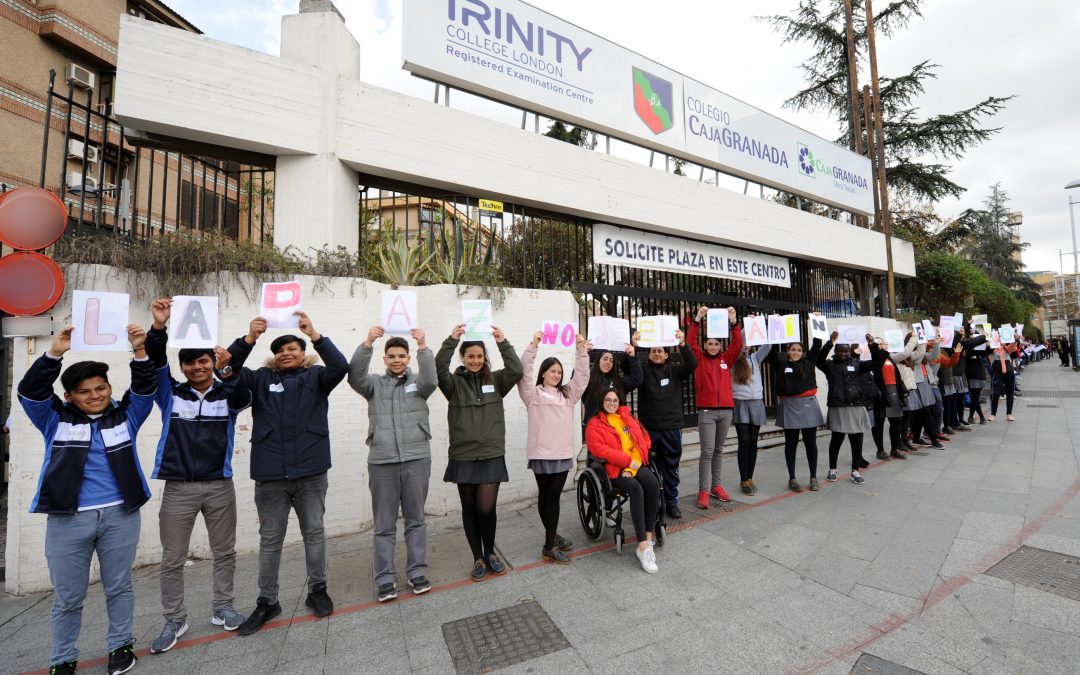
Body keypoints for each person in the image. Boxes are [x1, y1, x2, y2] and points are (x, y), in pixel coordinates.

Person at [19, 324, 155, 675]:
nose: (95, 396)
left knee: (119, 586)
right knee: (68, 598)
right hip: (68, 519)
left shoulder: (126, 415)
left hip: (120, 516)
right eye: (84, 392)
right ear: (68, 397)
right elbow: (30, 391)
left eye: (101, 388)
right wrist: (54, 353)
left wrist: (139, 351)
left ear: (110, 389)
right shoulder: (54, 419)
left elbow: (145, 388)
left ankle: (121, 647)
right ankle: (62, 659)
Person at [227, 312, 349, 635]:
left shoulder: (317, 377)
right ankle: (268, 601)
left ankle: (318, 590)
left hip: (311, 473)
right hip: (270, 477)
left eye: (293, 348)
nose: (286, 353)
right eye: (280, 350)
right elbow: (227, 373)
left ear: (302, 352)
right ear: (274, 357)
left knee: (315, 533)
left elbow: (342, 367)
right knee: (270, 541)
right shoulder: (259, 380)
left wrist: (315, 334)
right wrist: (247, 340)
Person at [144, 300, 251, 654]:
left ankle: (223, 608)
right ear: (183, 367)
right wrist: (158, 328)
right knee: (173, 558)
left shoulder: (228, 394)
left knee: (225, 552)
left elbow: (240, 386)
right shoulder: (169, 393)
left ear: (212, 363)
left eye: (203, 361)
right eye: (189, 362)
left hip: (220, 485)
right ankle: (174, 618)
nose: (196, 367)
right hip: (178, 488)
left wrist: (230, 362)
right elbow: (156, 361)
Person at [348, 326, 437, 602]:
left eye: (402, 355)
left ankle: (417, 572)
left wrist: (423, 346)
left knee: (416, 520)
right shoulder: (374, 384)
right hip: (382, 462)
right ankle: (385, 579)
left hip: (416, 459)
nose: (397, 360)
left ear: (408, 358)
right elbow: (354, 376)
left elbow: (432, 380)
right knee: (384, 525)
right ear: (384, 359)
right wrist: (368, 342)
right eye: (392, 356)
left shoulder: (419, 384)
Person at [436, 323, 523, 582]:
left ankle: (490, 553)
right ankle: (477, 557)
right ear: (463, 357)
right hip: (463, 455)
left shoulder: (496, 380)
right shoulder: (452, 384)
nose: (475, 360)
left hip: (491, 453)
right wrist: (451, 340)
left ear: (485, 358)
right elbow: (438, 369)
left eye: (479, 356)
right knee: (470, 508)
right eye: (470, 356)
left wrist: (502, 342)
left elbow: (516, 370)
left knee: (487, 508)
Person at [517, 331, 591, 564]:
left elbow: (581, 378)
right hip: (540, 453)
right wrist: (533, 346)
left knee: (554, 498)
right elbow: (524, 374)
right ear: (544, 373)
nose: (557, 375)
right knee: (545, 497)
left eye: (559, 372)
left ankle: (549, 542)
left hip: (561, 453)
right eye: (553, 371)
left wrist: (580, 350)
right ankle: (552, 539)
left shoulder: (567, 394)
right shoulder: (533, 393)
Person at [585, 390, 660, 574]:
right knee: (636, 489)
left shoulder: (627, 417)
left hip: (636, 463)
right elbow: (598, 449)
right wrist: (626, 461)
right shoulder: (594, 424)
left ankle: (648, 538)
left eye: (615, 400)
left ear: (620, 401)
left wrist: (641, 452)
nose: (612, 403)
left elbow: (644, 436)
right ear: (601, 402)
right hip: (614, 468)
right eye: (608, 400)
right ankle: (642, 545)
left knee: (652, 484)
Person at [635, 325, 697, 518]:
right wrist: (634, 346)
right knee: (650, 468)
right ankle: (654, 501)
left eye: (660, 351)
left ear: (667, 354)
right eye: (653, 351)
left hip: (672, 427)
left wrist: (683, 343)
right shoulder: (642, 371)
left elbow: (692, 364)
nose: (656, 354)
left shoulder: (676, 371)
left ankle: (671, 501)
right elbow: (628, 367)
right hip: (649, 429)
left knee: (671, 467)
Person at [685, 306, 742, 508]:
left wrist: (733, 322)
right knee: (707, 451)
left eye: (716, 344)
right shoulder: (699, 359)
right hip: (707, 411)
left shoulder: (726, 359)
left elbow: (738, 344)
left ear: (720, 345)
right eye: (709, 343)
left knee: (718, 450)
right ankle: (703, 490)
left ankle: (716, 486)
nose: (713, 346)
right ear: (705, 345)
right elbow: (689, 342)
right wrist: (697, 319)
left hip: (726, 410)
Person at [817, 332, 883, 484]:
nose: (844, 354)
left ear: (850, 351)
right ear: (836, 352)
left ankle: (855, 471)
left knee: (856, 440)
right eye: (840, 351)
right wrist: (830, 343)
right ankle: (832, 470)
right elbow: (818, 360)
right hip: (838, 406)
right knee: (836, 440)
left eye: (846, 351)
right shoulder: (830, 365)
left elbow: (878, 362)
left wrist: (872, 345)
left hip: (856, 406)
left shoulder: (858, 364)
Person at [772, 332, 824, 491]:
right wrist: (774, 328)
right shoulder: (780, 363)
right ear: (788, 350)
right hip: (789, 406)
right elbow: (772, 350)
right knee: (791, 443)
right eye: (793, 349)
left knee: (810, 443)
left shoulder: (809, 362)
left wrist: (816, 324)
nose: (795, 352)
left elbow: (817, 345)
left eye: (799, 350)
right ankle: (792, 478)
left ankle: (813, 477)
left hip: (807, 405)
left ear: (803, 352)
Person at [731, 337, 772, 494]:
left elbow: (768, 345)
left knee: (753, 441)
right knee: (744, 440)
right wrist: (747, 327)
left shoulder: (755, 357)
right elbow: (738, 345)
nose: (746, 346)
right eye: (744, 343)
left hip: (756, 403)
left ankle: (749, 478)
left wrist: (762, 327)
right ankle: (743, 479)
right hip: (740, 403)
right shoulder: (734, 358)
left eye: (749, 343)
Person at [582, 344, 642, 426]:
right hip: (595, 428)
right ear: (598, 361)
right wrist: (582, 355)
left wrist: (633, 356)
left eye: (611, 360)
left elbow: (637, 379)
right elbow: (577, 379)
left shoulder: (618, 382)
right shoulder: (587, 381)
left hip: (616, 427)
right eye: (605, 359)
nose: (608, 362)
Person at [870, 336, 908, 459]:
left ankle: (894, 449)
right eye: (878, 344)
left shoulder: (889, 357)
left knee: (897, 421)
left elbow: (896, 374)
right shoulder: (873, 358)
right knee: (879, 422)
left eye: (882, 343)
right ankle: (880, 450)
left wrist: (902, 388)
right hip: (881, 392)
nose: (881, 345)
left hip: (893, 391)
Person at [893, 333, 926, 453]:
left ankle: (905, 440)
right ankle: (899, 442)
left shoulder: (906, 358)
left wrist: (922, 340)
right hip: (902, 391)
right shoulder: (894, 356)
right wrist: (914, 338)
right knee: (901, 418)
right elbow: (905, 353)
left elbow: (919, 353)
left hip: (910, 388)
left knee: (907, 417)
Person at [988, 338, 1018, 422]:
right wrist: (990, 342)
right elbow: (987, 351)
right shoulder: (992, 348)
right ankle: (993, 414)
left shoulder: (1006, 347)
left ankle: (1009, 413)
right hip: (997, 373)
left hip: (1009, 371)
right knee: (996, 393)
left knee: (1010, 393)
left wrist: (1015, 340)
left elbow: (1012, 348)